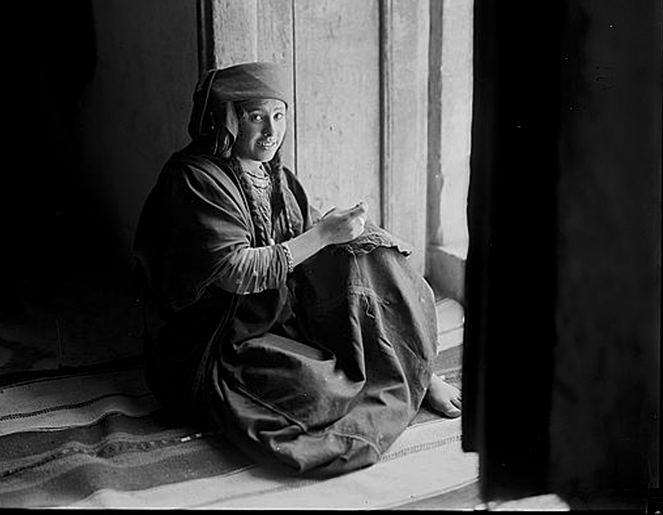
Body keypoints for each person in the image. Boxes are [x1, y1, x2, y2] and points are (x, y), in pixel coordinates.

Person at [133, 62, 461, 478]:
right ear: (226, 119)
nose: (270, 132)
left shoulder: (274, 174)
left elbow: (300, 230)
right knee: (321, 390)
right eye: (255, 117)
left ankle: (416, 371)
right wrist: (323, 234)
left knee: (372, 255)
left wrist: (342, 230)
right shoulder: (193, 179)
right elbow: (237, 272)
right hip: (218, 342)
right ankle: (400, 383)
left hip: (276, 315)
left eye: (279, 115)